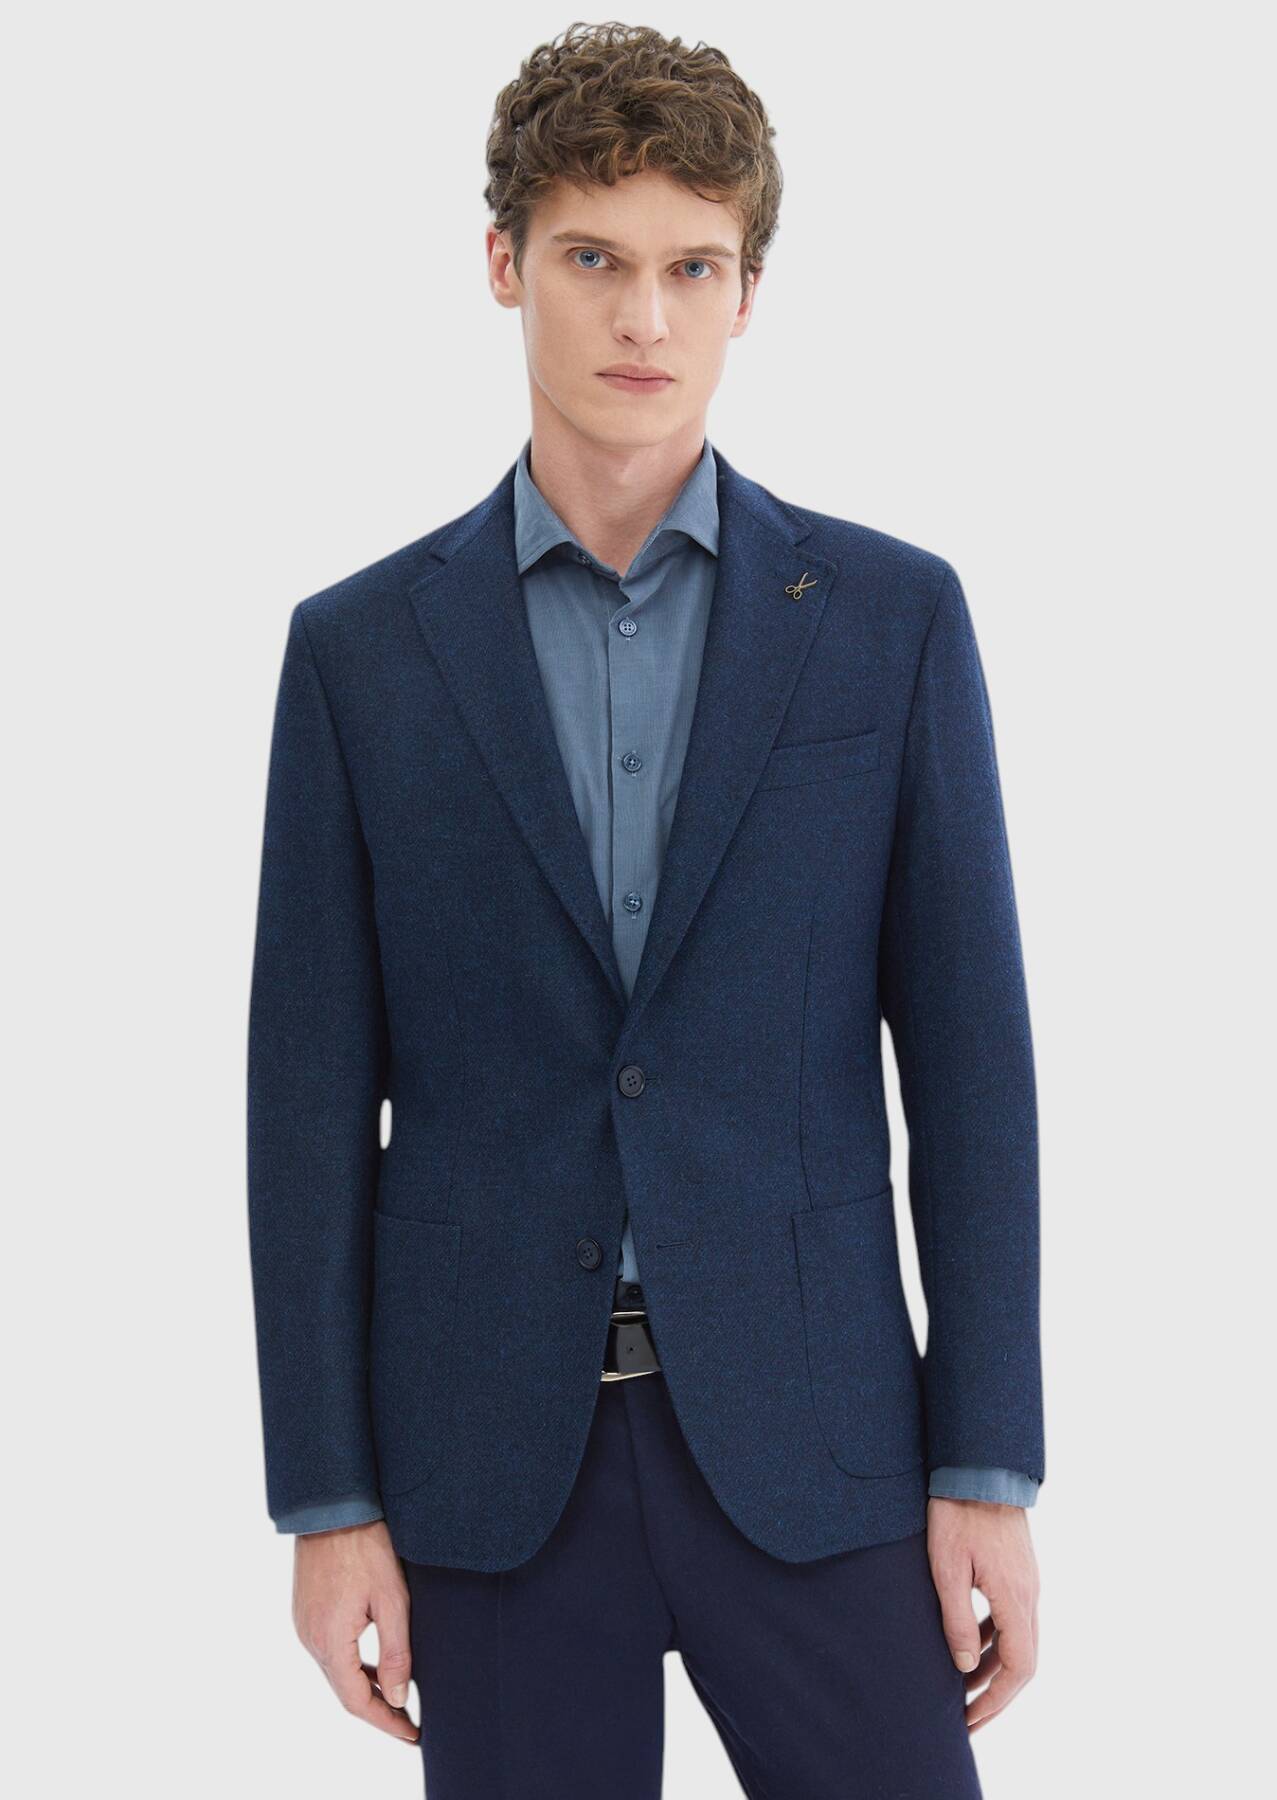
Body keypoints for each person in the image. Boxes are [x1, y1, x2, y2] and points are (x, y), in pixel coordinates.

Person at [247, 21, 1044, 1796]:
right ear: (502, 262)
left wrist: (986, 1467)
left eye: (692, 268)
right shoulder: (361, 655)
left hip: (821, 1445)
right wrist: (327, 1500)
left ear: (749, 291)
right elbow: (304, 1106)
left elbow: (972, 1067)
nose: (643, 319)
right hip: (485, 1464)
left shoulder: (889, 622)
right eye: (592, 259)